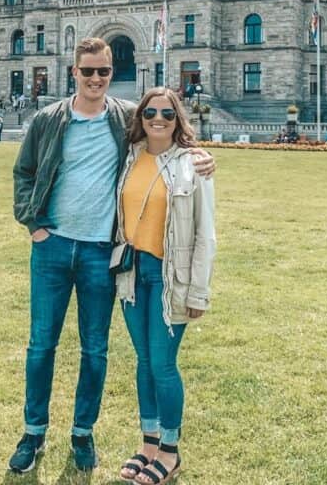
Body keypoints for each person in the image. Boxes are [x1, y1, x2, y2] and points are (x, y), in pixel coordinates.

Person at [9, 37, 215, 474]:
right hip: (53, 248)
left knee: (96, 349)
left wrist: (198, 154)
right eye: (89, 71)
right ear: (74, 72)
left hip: (102, 254)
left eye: (104, 71)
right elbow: (24, 173)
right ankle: (33, 431)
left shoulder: (125, 118)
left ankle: (83, 432)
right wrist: (36, 226)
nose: (98, 78)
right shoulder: (48, 119)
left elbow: (164, 141)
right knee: (41, 344)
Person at [114, 88, 215, 484]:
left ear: (179, 120)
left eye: (167, 114)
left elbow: (206, 233)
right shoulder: (130, 157)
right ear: (140, 117)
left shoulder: (193, 164)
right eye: (150, 112)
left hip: (169, 275)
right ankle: (149, 445)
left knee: (163, 364)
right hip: (131, 273)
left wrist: (198, 292)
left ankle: (170, 452)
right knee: (143, 363)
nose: (158, 119)